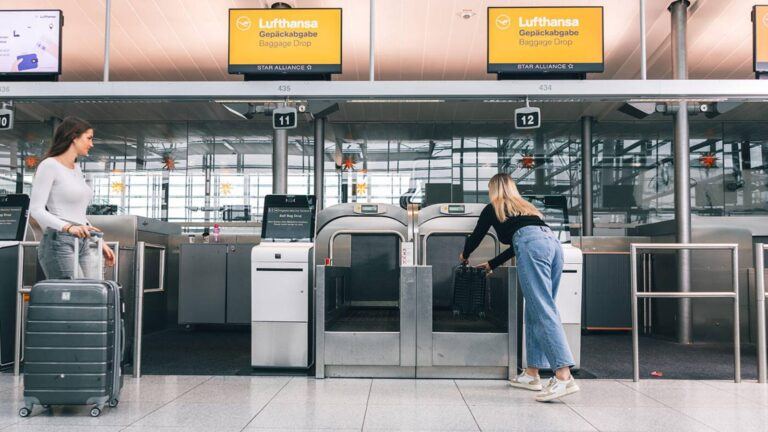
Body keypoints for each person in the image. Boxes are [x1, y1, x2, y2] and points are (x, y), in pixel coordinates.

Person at [461, 173, 579, 402]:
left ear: (493, 189)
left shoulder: (494, 207)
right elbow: (520, 241)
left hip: (534, 247)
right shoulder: (527, 208)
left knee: (542, 309)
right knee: (537, 309)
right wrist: (493, 263)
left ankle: (564, 376)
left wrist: (464, 255)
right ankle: (532, 373)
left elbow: (477, 235)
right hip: (553, 245)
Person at [30, 116, 115, 279]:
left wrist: (99, 242)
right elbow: (36, 209)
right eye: (89, 138)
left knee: (91, 291)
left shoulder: (76, 168)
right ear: (74, 137)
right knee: (75, 292)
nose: (92, 144)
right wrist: (68, 227)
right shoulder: (49, 165)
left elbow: (78, 214)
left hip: (82, 240)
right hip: (59, 241)